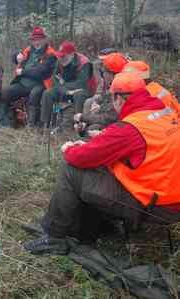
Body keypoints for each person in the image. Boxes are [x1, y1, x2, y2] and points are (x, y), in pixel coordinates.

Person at [24, 72, 180, 255]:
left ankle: (54, 237)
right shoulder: (165, 113)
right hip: (169, 197)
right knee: (100, 167)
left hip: (155, 206)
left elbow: (78, 158)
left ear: (119, 98)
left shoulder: (131, 128)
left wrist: (69, 149)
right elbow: (147, 154)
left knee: (72, 170)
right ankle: (91, 230)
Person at [0, 26, 57, 126]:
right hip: (23, 83)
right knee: (5, 92)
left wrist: (23, 72)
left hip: (40, 84)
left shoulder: (50, 54)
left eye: (39, 39)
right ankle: (4, 120)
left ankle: (32, 124)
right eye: (34, 40)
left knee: (34, 95)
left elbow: (41, 72)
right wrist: (16, 55)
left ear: (44, 39)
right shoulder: (29, 50)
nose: (37, 42)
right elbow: (16, 57)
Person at [40, 41, 95, 129]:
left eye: (63, 56)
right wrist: (66, 91)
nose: (61, 59)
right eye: (60, 56)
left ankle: (78, 125)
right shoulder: (60, 61)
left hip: (85, 90)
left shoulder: (85, 63)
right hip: (66, 90)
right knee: (48, 93)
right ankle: (46, 124)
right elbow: (55, 80)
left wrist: (64, 84)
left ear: (72, 54)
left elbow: (81, 83)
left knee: (78, 95)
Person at [74, 52, 128, 136]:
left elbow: (108, 118)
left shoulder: (122, 90)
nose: (103, 75)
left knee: (94, 128)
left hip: (121, 126)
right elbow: (104, 100)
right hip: (115, 121)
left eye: (104, 72)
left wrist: (83, 118)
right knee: (91, 126)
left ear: (111, 74)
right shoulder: (115, 85)